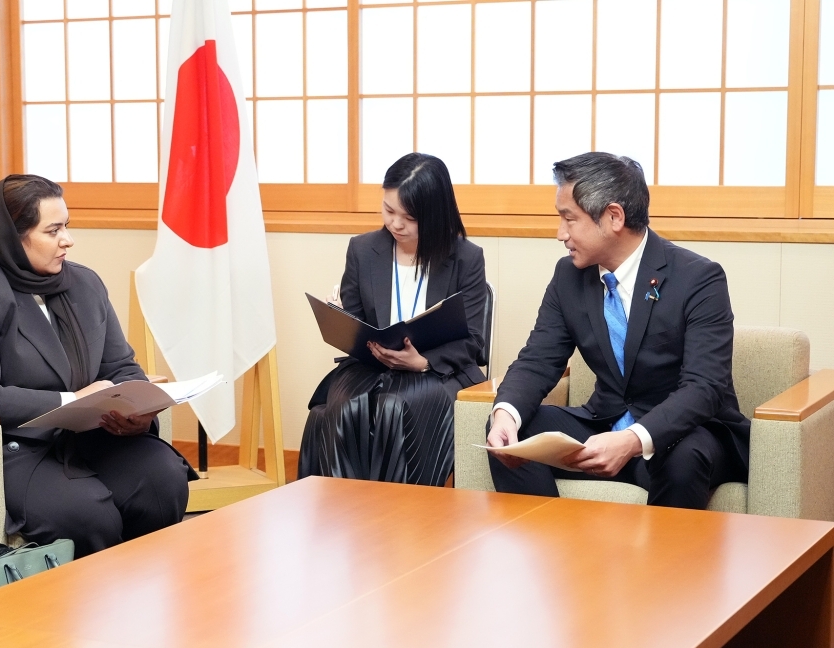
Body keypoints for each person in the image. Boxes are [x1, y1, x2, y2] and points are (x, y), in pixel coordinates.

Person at [0, 175, 196, 556]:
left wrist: (138, 408)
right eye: (53, 230)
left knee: (162, 481)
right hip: (15, 446)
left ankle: (144, 593)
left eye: (66, 226)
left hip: (92, 434)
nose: (67, 239)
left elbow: (120, 365)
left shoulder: (84, 284)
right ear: (12, 235)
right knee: (87, 515)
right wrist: (71, 400)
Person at [486, 152, 750, 508]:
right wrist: (505, 413)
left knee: (684, 459)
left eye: (569, 219)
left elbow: (705, 388)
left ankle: (664, 565)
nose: (560, 233)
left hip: (681, 433)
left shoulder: (698, 278)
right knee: (507, 437)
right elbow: (538, 360)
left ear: (613, 216)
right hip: (604, 421)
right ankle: (554, 548)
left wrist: (631, 440)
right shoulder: (569, 276)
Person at [299, 153, 488, 486]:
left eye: (409, 217)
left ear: (435, 213)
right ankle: (344, 513)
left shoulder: (466, 258)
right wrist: (340, 316)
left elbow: (473, 340)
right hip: (369, 367)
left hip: (435, 373)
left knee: (393, 408)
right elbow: (355, 322)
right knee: (344, 410)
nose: (395, 224)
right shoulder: (362, 249)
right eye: (388, 211)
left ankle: (399, 518)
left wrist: (424, 362)